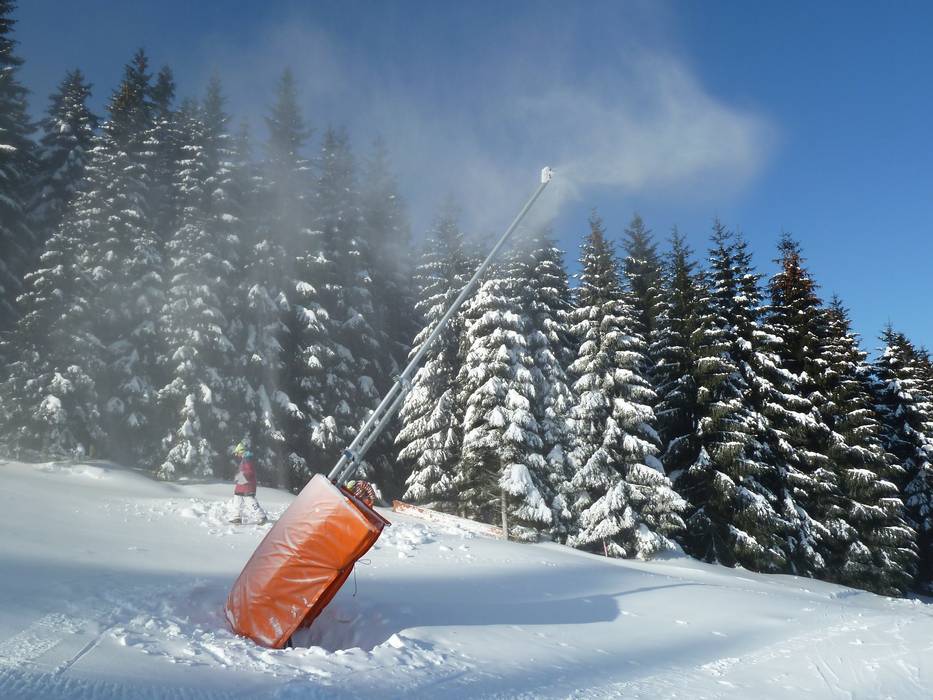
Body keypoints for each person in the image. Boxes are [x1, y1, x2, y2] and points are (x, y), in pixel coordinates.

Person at [230, 442, 268, 525]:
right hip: (242, 484)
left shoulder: (247, 459)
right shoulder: (245, 459)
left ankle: (262, 517)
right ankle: (237, 518)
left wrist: (241, 475)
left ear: (241, 451)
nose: (236, 455)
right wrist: (239, 476)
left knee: (250, 501)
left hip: (248, 485)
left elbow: (249, 471)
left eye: (237, 453)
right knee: (237, 499)